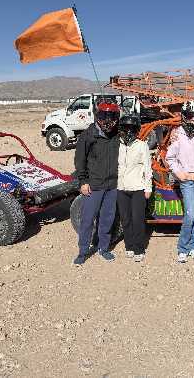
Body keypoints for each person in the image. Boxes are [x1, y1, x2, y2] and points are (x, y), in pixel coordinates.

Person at [73, 99, 121, 265]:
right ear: (97, 116)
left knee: (107, 219)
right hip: (93, 185)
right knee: (87, 219)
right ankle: (83, 251)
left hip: (112, 185)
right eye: (104, 116)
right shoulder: (88, 135)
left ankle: (103, 248)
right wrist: (83, 181)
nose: (107, 120)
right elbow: (80, 161)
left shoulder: (118, 134)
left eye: (111, 116)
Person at [165, 100, 194, 263]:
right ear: (184, 116)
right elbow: (170, 158)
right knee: (190, 215)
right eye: (189, 116)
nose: (193, 119)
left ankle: (193, 246)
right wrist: (179, 174)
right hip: (187, 182)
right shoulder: (178, 134)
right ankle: (182, 248)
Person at [116, 112, 152, 262]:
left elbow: (147, 168)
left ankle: (139, 248)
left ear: (136, 130)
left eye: (132, 128)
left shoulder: (142, 146)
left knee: (138, 220)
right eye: (126, 128)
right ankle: (129, 246)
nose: (128, 131)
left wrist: (148, 188)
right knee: (125, 219)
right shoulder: (117, 145)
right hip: (121, 187)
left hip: (138, 188)